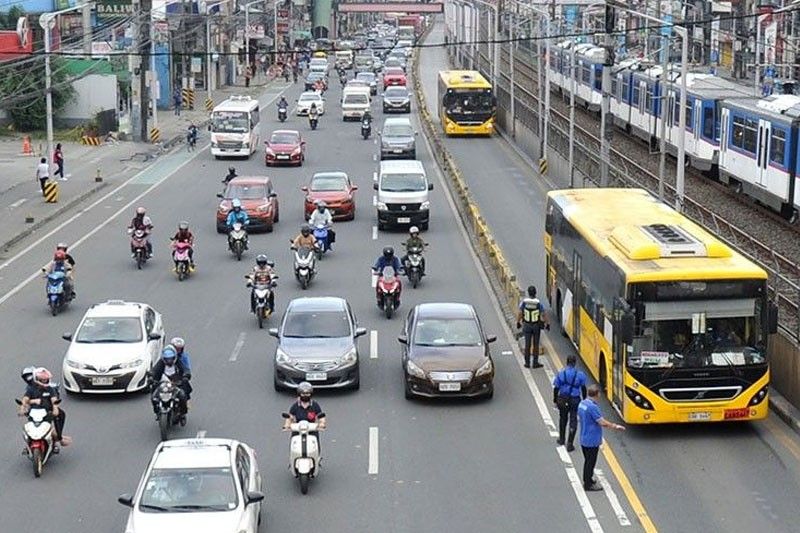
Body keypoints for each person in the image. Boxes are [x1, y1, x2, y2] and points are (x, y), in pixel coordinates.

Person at [578, 384, 625, 491]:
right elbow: (602, 422)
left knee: (587, 460)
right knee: (590, 462)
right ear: (597, 394)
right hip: (592, 439)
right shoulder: (592, 407)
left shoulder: (582, 403)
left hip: (584, 437)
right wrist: (615, 426)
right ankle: (588, 483)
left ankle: (588, 479)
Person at [18, 368, 69, 451]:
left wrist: (55, 408)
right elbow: (25, 399)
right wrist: (23, 407)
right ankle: (28, 444)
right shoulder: (31, 389)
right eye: (43, 380)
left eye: (46, 380)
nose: (45, 381)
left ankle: (58, 438)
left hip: (47, 412)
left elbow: (54, 399)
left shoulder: (50, 389)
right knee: (29, 428)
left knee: (60, 415)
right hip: (34, 412)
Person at [553, 355, 588, 452]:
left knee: (563, 418)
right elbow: (583, 388)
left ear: (566, 362)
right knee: (573, 420)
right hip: (574, 400)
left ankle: (561, 439)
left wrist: (555, 400)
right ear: (575, 363)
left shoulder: (561, 373)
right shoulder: (580, 374)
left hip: (562, 399)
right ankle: (570, 443)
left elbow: (556, 388)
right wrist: (584, 399)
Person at [283, 382, 326, 452]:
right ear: (299, 394)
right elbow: (290, 417)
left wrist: (322, 424)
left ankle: (316, 458)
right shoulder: (295, 405)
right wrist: (287, 425)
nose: (305, 395)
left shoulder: (315, 405)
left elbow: (321, 416)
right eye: (303, 394)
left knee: (315, 445)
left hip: (311, 429)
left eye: (307, 394)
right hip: (298, 429)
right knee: (294, 445)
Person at [150, 346, 191, 417]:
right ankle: (157, 411)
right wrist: (151, 377)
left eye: (171, 359)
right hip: (162, 384)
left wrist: (185, 376)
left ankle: (182, 413)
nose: (169, 361)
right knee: (154, 397)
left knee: (182, 396)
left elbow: (185, 369)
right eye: (167, 359)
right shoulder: (161, 363)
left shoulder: (178, 362)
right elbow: (154, 370)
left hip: (176, 384)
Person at [516, 285, 549, 368]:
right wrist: (547, 323)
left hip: (527, 325)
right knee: (536, 345)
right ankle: (535, 363)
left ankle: (527, 363)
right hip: (536, 326)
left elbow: (520, 313)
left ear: (528, 293)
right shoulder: (538, 303)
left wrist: (518, 322)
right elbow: (544, 314)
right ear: (535, 293)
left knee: (527, 345)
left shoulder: (524, 303)